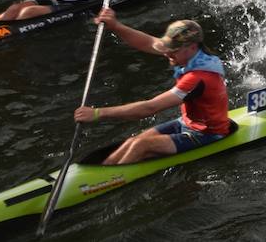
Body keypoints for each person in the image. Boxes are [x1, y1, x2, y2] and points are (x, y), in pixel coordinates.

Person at [71, 12, 232, 163]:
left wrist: (98, 114)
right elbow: (149, 42)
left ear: (192, 47)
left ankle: (107, 180)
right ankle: (106, 168)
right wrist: (115, 26)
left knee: (141, 146)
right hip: (186, 123)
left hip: (207, 134)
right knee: (134, 141)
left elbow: (150, 108)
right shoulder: (187, 54)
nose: (168, 53)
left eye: (173, 51)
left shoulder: (198, 77)